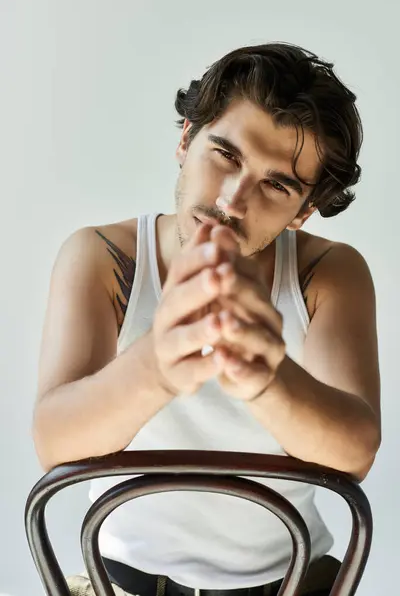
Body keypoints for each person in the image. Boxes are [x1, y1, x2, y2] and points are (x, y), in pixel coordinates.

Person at [33, 42, 381, 596]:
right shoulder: (101, 255)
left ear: (304, 212)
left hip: (292, 583)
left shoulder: (328, 272)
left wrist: (266, 378)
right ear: (186, 138)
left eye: (277, 184)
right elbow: (54, 442)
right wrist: (156, 367)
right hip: (115, 583)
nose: (233, 201)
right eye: (226, 154)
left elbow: (355, 454)